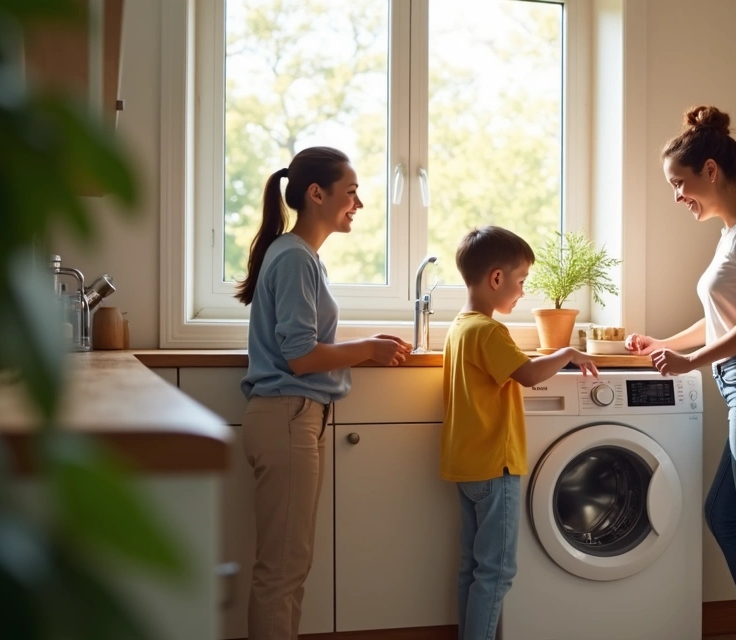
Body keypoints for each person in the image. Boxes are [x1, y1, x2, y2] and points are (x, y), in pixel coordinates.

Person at [625, 106, 736, 640]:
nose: (676, 196)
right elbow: (720, 321)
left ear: (710, 170)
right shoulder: (733, 234)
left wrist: (690, 362)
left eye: (679, 183)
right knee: (723, 516)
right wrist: (663, 343)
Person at [236, 146, 410, 640]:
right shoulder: (294, 258)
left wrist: (367, 346)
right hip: (287, 415)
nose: (358, 203)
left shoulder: (298, 255)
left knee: (290, 566)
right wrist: (367, 351)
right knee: (282, 570)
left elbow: (305, 346)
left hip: (293, 417)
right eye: (351, 192)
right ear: (317, 194)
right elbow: (301, 356)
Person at [442, 226, 599, 640]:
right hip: (497, 466)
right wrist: (565, 352)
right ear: (496, 278)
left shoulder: (461, 327)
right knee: (497, 571)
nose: (523, 291)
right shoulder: (490, 331)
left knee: (473, 568)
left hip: (467, 466)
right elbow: (528, 374)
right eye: (521, 281)